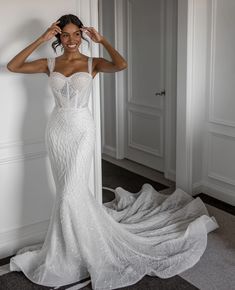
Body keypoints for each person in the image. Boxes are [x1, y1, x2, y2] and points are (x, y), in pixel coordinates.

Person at [7, 14, 218, 290]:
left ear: (83, 36)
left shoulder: (93, 63)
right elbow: (13, 65)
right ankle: (70, 249)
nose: (71, 40)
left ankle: (77, 249)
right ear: (58, 37)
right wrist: (40, 38)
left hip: (82, 130)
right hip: (57, 130)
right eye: (65, 35)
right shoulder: (50, 63)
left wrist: (102, 40)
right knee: (67, 193)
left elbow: (121, 64)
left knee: (71, 192)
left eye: (76, 34)